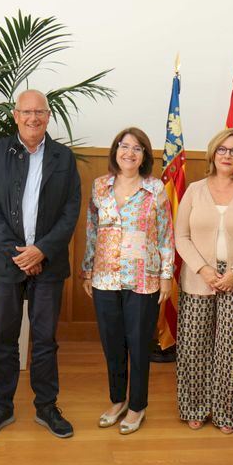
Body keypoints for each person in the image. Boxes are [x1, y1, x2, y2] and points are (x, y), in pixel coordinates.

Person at [0, 89, 81, 439]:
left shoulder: (64, 158)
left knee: (45, 339)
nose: (33, 118)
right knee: (5, 338)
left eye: (39, 112)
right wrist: (18, 253)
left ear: (48, 117)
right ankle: (1, 406)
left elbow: (71, 210)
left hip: (49, 263)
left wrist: (42, 251)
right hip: (6, 263)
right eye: (27, 112)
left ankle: (46, 406)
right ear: (15, 116)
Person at [175, 128, 233, 434]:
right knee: (194, 346)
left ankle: (228, 412)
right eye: (222, 150)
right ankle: (195, 407)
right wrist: (203, 270)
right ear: (213, 153)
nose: (228, 155)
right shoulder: (194, 190)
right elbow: (181, 236)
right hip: (197, 279)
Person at [81, 127, 175, 435]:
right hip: (105, 277)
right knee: (113, 345)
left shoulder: (155, 189)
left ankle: (137, 406)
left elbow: (165, 235)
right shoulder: (100, 186)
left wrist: (166, 276)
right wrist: (87, 270)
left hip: (143, 278)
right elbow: (92, 231)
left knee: (138, 344)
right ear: (115, 150)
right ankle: (117, 400)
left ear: (144, 155)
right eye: (124, 146)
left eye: (137, 148)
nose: (129, 153)